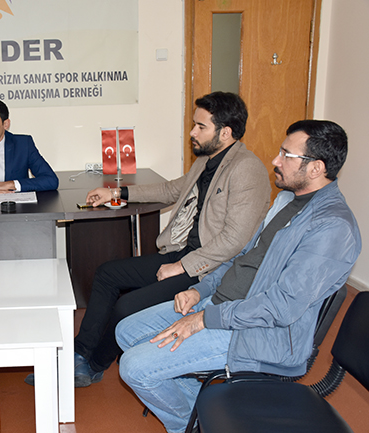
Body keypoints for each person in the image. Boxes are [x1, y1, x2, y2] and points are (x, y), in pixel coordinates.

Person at [116, 120, 361, 433]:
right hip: (221, 304)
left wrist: (204, 319)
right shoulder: (287, 200)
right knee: (126, 331)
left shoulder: (333, 227)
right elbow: (241, 258)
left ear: (316, 168)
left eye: (286, 155)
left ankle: (184, 425)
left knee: (134, 368)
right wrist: (201, 289)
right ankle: (198, 414)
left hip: (257, 333)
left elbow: (280, 307)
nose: (275, 160)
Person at [58, 92, 272, 388]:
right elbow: (172, 190)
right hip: (183, 253)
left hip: (208, 268)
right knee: (107, 274)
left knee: (125, 307)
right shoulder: (207, 160)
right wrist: (116, 192)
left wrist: (182, 266)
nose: (192, 132)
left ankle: (94, 366)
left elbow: (234, 240)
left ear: (226, 132)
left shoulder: (247, 169)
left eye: (201, 127)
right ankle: (81, 352)